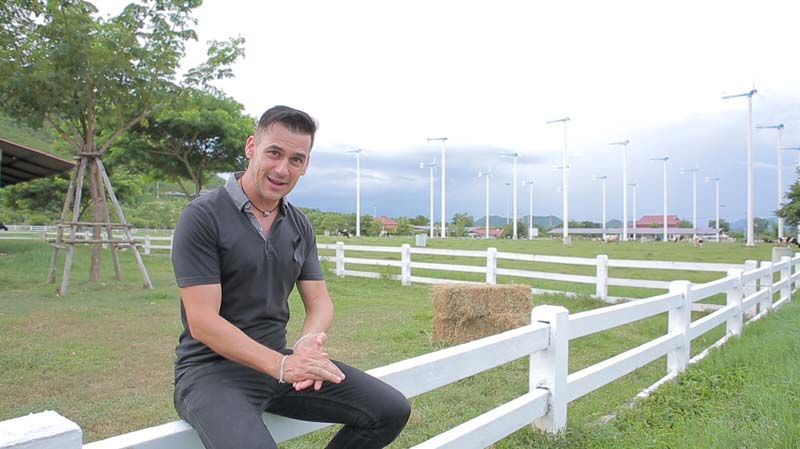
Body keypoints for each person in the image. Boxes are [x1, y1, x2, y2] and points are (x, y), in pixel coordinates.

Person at [171, 105, 410, 449]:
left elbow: (320, 301)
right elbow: (203, 321)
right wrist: (281, 365)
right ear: (251, 147)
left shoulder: (299, 225)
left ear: (306, 165)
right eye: (274, 153)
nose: (283, 169)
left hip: (278, 365)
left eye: (296, 159)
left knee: (389, 410)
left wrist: (307, 342)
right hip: (210, 372)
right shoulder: (203, 216)